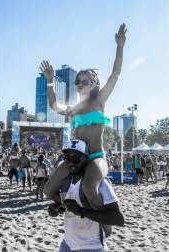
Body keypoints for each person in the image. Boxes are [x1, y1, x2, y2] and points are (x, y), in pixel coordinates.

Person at [41, 24, 126, 210]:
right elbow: (54, 105)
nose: (79, 83)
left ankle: (103, 221)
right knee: (48, 190)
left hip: (96, 157)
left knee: (89, 188)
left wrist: (120, 47)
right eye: (77, 81)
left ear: (93, 82)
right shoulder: (73, 109)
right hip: (74, 158)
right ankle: (70, 207)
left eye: (83, 80)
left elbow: (115, 74)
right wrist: (49, 82)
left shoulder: (100, 99)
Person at [46, 139, 124, 251]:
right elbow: (68, 206)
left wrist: (82, 211)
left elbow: (118, 219)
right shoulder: (65, 181)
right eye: (68, 158)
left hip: (92, 247)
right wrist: (57, 207)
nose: (71, 162)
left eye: (76, 159)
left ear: (86, 159)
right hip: (67, 244)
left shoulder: (100, 183)